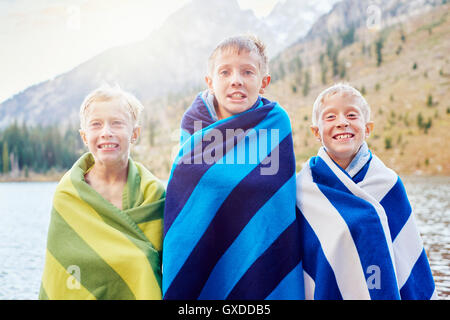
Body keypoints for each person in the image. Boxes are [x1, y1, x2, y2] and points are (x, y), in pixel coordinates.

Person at [162, 35, 304, 299]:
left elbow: (279, 199)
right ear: (210, 82)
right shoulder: (194, 124)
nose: (236, 80)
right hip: (203, 260)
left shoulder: (275, 123)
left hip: (262, 264)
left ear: (264, 83)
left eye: (247, 72)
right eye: (224, 72)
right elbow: (185, 205)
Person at [296, 83, 436, 299]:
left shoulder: (388, 185)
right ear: (316, 132)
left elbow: (406, 256)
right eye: (330, 117)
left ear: (368, 128)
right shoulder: (303, 189)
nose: (342, 122)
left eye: (352, 115)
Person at [39, 84, 165, 300]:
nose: (106, 132)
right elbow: (59, 274)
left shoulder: (153, 195)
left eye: (117, 123)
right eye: (96, 125)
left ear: (135, 133)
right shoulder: (68, 195)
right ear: (85, 136)